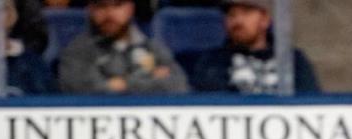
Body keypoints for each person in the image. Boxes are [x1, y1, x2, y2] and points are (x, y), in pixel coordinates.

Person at [58, 0, 188, 95]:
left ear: (130, 8)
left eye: (117, 5)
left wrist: (123, 84)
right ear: (90, 10)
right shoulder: (77, 51)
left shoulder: (151, 47)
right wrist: (150, 79)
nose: (109, 14)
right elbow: (87, 91)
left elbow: (179, 86)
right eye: (101, 6)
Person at [190, 0, 319, 94]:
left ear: (265, 19)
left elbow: (309, 104)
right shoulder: (212, 62)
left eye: (246, 13)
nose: (237, 21)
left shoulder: (292, 60)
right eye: (231, 14)